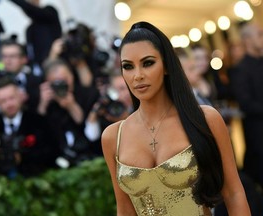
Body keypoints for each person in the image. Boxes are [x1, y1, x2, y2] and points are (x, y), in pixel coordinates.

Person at [101, 21, 250, 216]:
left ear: (166, 66)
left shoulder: (205, 119)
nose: (137, 75)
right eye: (128, 66)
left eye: (148, 63)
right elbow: (125, 210)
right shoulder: (113, 137)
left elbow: (233, 193)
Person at [0, 75, 58, 178]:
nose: (9, 104)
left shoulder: (37, 122)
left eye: (11, 98)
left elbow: (50, 153)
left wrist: (22, 155)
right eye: (3, 101)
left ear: (20, 96)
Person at [229, 21, 263, 190]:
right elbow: (245, 103)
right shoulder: (240, 69)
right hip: (258, 134)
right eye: (260, 34)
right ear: (248, 40)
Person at [9, 0, 62, 66]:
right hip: (41, 69)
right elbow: (30, 54)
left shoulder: (50, 12)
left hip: (58, 63)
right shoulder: (29, 30)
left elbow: (31, 9)